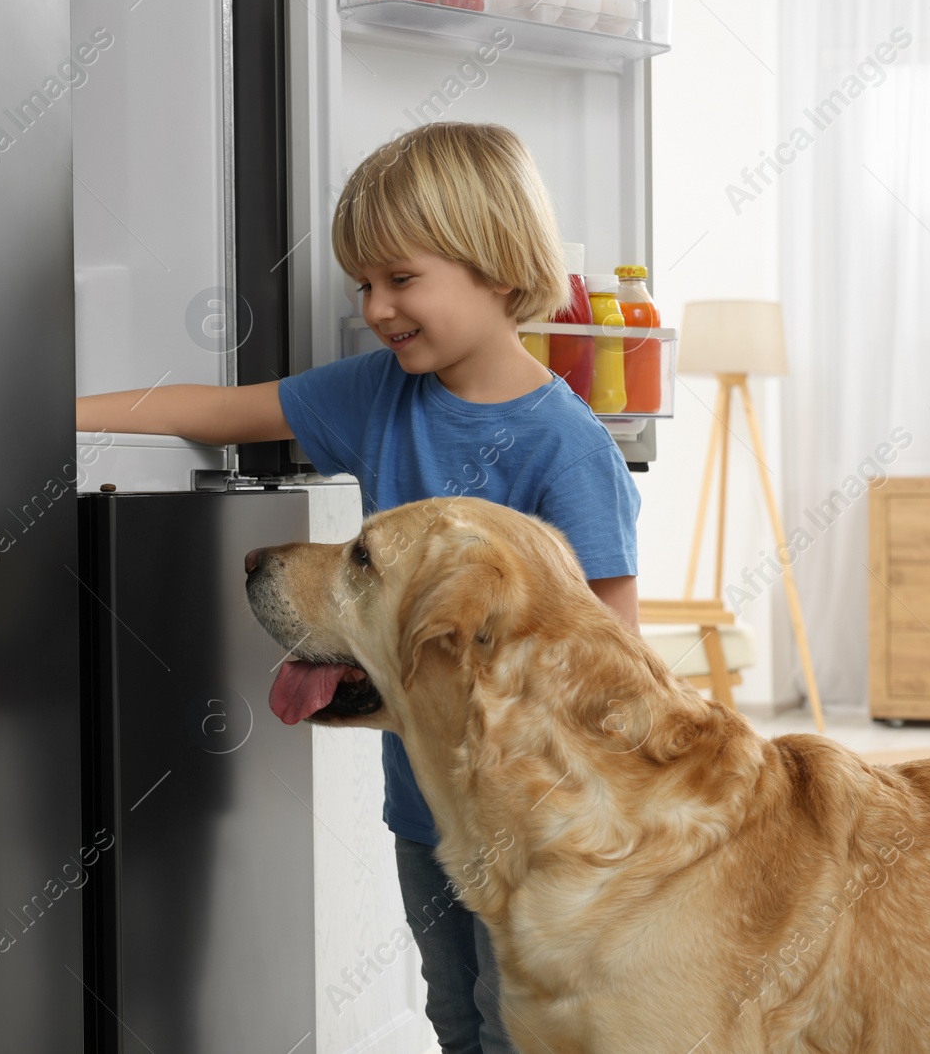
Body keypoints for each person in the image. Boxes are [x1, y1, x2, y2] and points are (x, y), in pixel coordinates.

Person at [76, 120, 641, 1054]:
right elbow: (220, 410)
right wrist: (46, 415)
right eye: (363, 285)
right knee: (457, 1019)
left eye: (401, 279)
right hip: (425, 808)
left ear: (499, 269)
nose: (376, 307)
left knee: (526, 1032)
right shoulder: (381, 394)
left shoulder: (570, 450)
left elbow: (607, 659)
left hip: (537, 825)